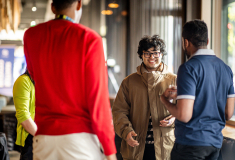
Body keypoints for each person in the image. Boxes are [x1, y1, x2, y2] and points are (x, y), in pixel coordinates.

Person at [23, 0, 116, 159]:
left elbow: (33, 74)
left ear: (52, 7)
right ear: (79, 4)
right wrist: (110, 151)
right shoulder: (89, 39)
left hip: (44, 139)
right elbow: (98, 100)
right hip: (79, 140)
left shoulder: (31, 35)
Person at [160, 19, 235, 160]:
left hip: (190, 145)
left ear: (186, 42)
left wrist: (164, 100)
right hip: (215, 145)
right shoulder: (226, 69)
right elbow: (228, 113)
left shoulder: (188, 68)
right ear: (207, 41)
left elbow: (184, 115)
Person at [112, 35, 176, 160]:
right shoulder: (129, 82)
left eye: (155, 53)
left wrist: (174, 118)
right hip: (136, 147)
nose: (152, 57)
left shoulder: (174, 80)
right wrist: (126, 131)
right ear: (141, 55)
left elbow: (187, 110)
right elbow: (119, 111)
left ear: (162, 54)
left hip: (166, 147)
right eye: (147, 53)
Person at [13, 69, 37, 160]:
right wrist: (42, 137)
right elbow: (23, 116)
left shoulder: (45, 82)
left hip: (47, 139)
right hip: (32, 137)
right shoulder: (23, 81)